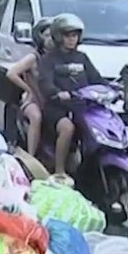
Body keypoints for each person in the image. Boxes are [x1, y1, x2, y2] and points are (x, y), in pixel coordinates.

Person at [37, 13, 103, 180]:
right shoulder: (49, 59)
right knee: (67, 128)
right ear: (59, 36)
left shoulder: (82, 58)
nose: (72, 39)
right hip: (57, 108)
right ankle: (60, 172)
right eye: (68, 35)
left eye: (75, 35)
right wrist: (56, 93)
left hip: (81, 106)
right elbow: (45, 82)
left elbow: (96, 79)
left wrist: (113, 89)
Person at [3, 17, 54, 156]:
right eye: (47, 35)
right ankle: (31, 156)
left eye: (53, 35)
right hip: (33, 100)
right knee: (36, 117)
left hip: (51, 100)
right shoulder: (34, 57)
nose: (50, 39)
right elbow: (11, 73)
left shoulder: (58, 57)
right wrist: (28, 90)